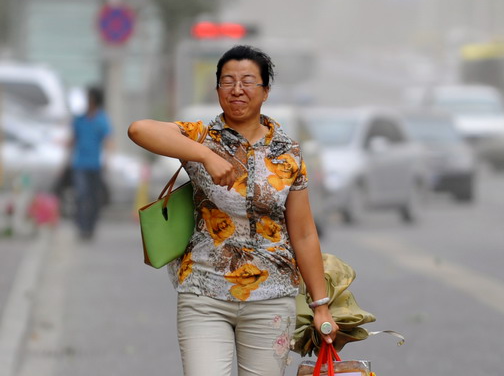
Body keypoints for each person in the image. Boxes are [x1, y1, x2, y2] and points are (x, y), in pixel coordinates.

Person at [128, 45, 338, 375]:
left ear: (266, 91)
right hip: (203, 293)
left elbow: (304, 232)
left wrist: (321, 306)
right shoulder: (201, 138)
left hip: (272, 298)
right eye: (227, 81)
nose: (237, 90)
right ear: (217, 90)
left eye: (247, 81)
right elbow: (139, 130)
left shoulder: (288, 154)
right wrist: (206, 156)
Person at [70, 85, 112, 240]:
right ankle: (81, 226)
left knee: (94, 198)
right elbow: (73, 141)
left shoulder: (102, 119)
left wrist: (107, 160)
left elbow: (108, 140)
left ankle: (90, 227)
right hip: (80, 164)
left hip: (95, 164)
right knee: (81, 195)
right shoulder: (79, 119)